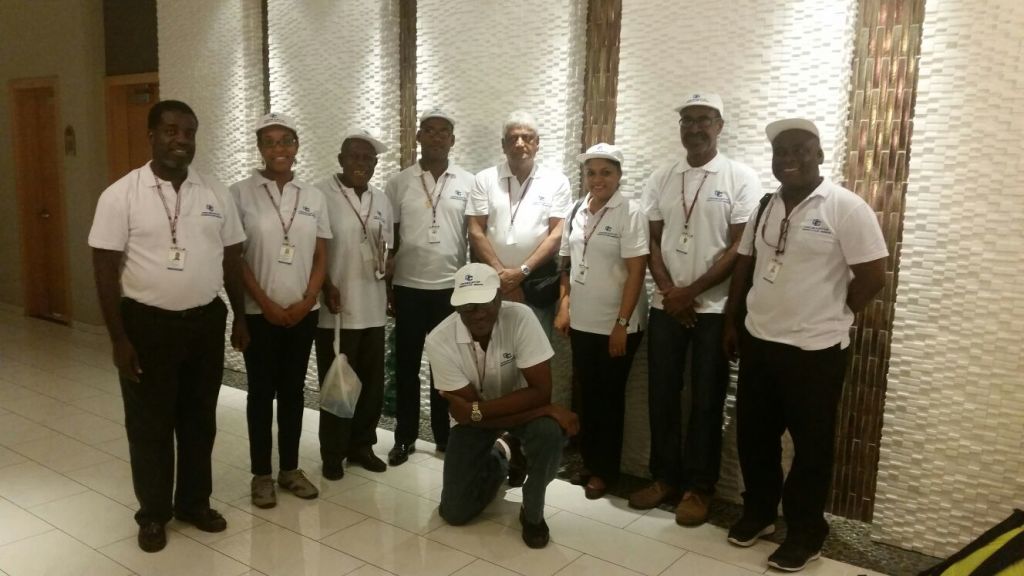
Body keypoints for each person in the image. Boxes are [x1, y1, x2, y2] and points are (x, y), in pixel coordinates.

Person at [722, 118, 887, 572]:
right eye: (781, 152)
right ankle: (758, 514)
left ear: (818, 155)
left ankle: (806, 532)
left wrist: (835, 313)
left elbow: (873, 276)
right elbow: (745, 264)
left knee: (812, 447)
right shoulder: (765, 205)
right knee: (754, 437)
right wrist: (733, 321)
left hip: (815, 351)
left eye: (799, 149)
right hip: (760, 342)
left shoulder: (845, 208)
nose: (789, 159)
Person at [88, 100, 248, 552]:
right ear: (151, 136)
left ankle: (194, 502)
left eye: (190, 132)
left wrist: (239, 316)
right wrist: (118, 338)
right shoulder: (121, 194)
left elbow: (233, 259)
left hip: (204, 322)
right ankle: (153, 513)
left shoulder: (215, 192)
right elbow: (103, 268)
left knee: (199, 421)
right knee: (150, 424)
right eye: (172, 131)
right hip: (146, 325)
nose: (182, 139)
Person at [629, 93, 762, 527]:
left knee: (707, 399)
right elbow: (650, 239)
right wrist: (670, 291)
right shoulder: (663, 176)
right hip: (667, 304)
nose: (695, 128)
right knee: (662, 394)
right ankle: (664, 477)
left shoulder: (740, 177)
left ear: (719, 125)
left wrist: (693, 292)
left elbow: (741, 247)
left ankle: (698, 489)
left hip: (714, 308)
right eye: (687, 120)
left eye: (704, 120)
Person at [425, 263, 579, 549]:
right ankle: (503, 453)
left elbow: (541, 392)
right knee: (454, 513)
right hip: (479, 421)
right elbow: (469, 414)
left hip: (498, 415)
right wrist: (541, 409)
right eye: (468, 306)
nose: (478, 312)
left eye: (485, 302)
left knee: (548, 433)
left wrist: (481, 411)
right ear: (457, 307)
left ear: (498, 297)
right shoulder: (438, 339)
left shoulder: (521, 317)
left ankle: (532, 512)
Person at [230, 112, 330, 508]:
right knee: (259, 394)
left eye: (285, 141)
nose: (278, 149)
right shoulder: (240, 193)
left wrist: (308, 300)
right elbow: (236, 257)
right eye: (269, 142)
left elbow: (322, 253)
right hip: (259, 313)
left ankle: (289, 469)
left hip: (304, 312)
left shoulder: (313, 196)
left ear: (296, 146)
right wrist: (266, 304)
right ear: (260, 148)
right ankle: (261, 475)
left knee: (292, 393)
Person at [553, 143, 648, 500]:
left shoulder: (630, 212)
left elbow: (637, 271)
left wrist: (622, 323)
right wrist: (564, 304)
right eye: (591, 172)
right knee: (588, 394)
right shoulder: (577, 208)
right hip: (582, 321)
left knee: (609, 399)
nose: (597, 179)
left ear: (619, 175)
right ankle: (590, 461)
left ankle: (606, 472)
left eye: (605, 172)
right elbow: (566, 263)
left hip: (616, 324)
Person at [384, 108, 476, 466]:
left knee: (445, 368)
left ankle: (443, 436)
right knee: (405, 367)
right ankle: (404, 437)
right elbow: (391, 238)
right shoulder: (400, 182)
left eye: (444, 132)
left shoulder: (467, 182)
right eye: (430, 130)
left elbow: (474, 236)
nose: (437, 137)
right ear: (418, 137)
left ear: (452, 140)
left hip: (448, 291)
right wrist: (388, 286)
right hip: (408, 288)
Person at [315, 129, 393, 480]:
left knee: (371, 385)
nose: (361, 163)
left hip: (373, 308)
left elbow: (386, 249)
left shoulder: (381, 199)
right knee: (337, 385)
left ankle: (362, 445)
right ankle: (333, 452)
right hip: (336, 310)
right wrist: (326, 286)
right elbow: (312, 253)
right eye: (354, 156)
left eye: (368, 158)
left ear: (375, 164)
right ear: (340, 160)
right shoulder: (320, 195)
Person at [466, 111, 571, 336]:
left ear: (537, 143)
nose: (520, 143)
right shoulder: (484, 179)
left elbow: (557, 234)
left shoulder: (557, 181)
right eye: (513, 138)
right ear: (503, 145)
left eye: (527, 137)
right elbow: (475, 231)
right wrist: (502, 275)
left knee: (535, 353)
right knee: (492, 350)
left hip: (536, 283)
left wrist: (521, 274)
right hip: (493, 283)